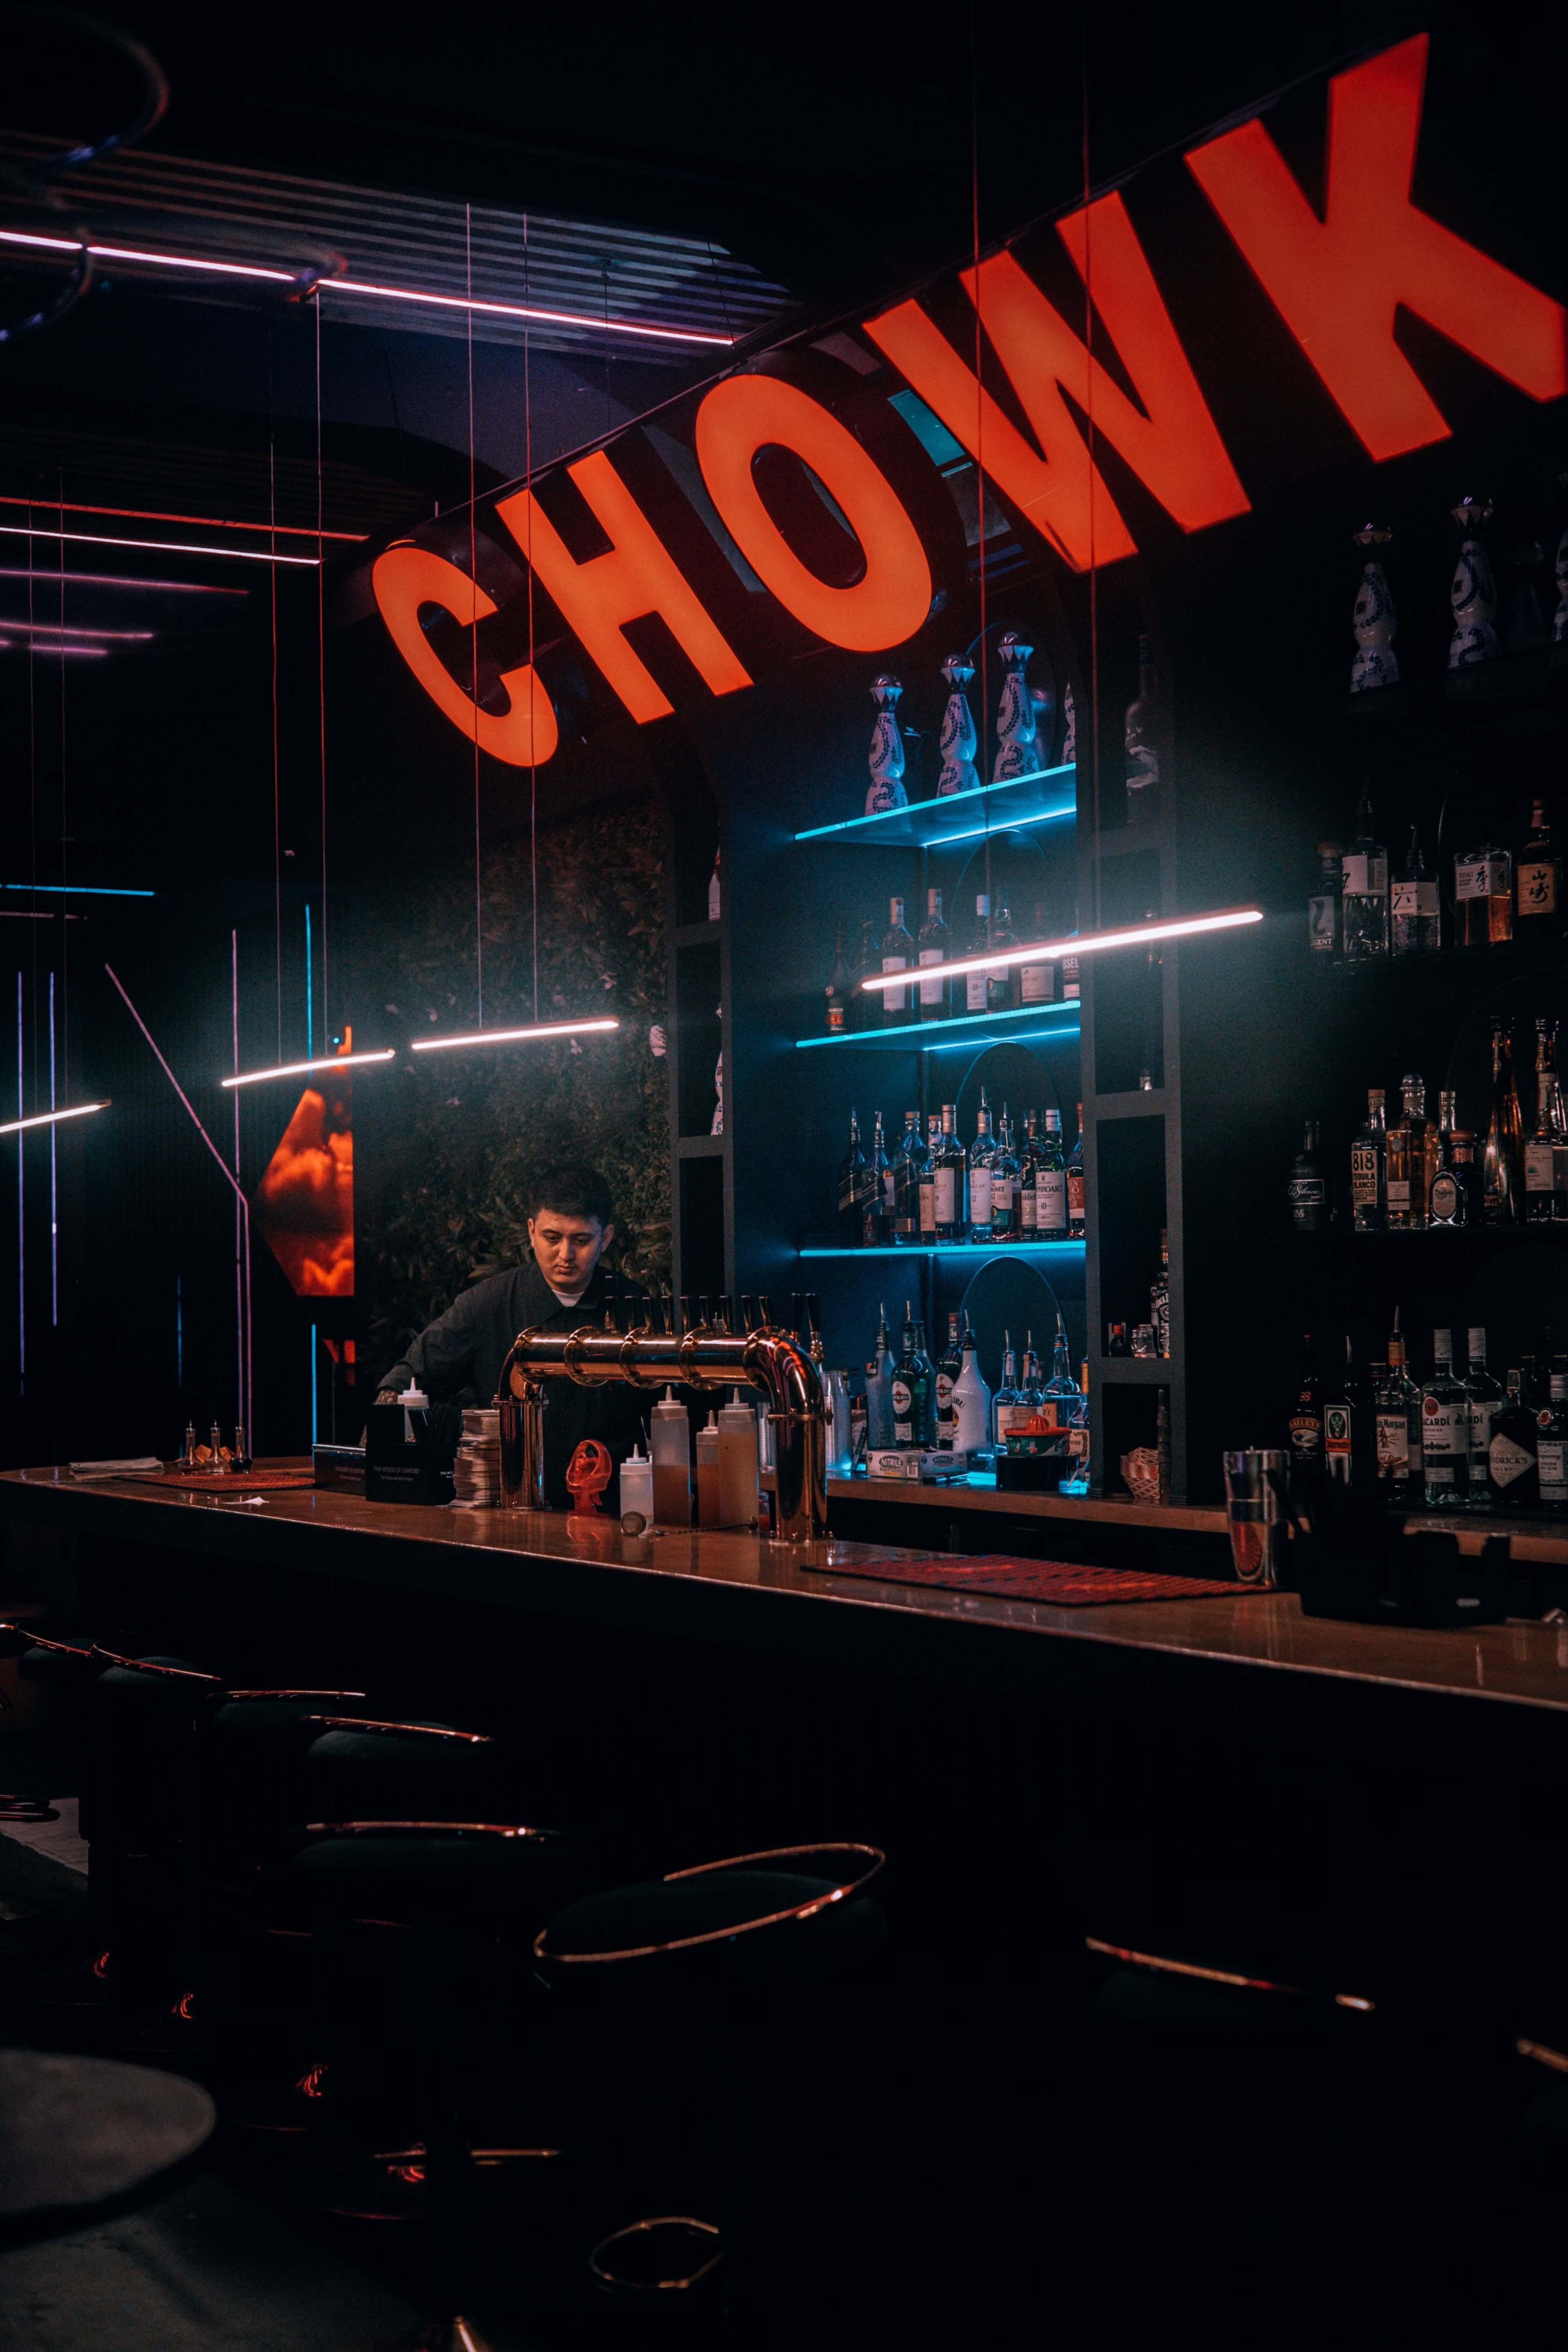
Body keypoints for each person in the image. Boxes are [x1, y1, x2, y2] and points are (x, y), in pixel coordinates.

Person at [375, 1162, 648, 1508]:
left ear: (605, 1237)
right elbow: (404, 1381)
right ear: (531, 1231)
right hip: (508, 1512)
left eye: (581, 1240)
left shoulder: (635, 1306)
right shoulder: (486, 1305)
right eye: (552, 1238)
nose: (566, 1255)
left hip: (614, 1512)